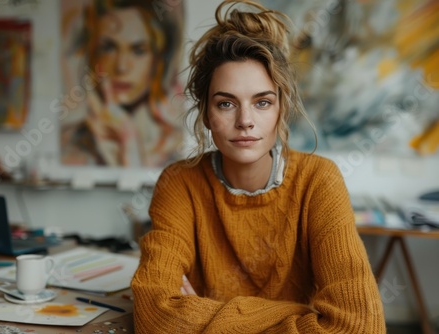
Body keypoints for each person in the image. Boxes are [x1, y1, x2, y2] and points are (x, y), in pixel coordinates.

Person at [131, 0, 386, 332]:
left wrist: (206, 316)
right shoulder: (180, 183)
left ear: (281, 109)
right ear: (207, 114)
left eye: (262, 102)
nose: (245, 121)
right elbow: (154, 316)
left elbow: (361, 325)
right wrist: (298, 314)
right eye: (226, 104)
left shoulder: (318, 181)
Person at [60, 0, 184, 167]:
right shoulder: (68, 144)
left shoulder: (177, 150)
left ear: (157, 61)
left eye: (138, 50)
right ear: (92, 55)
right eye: (109, 48)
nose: (121, 66)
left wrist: (129, 139)